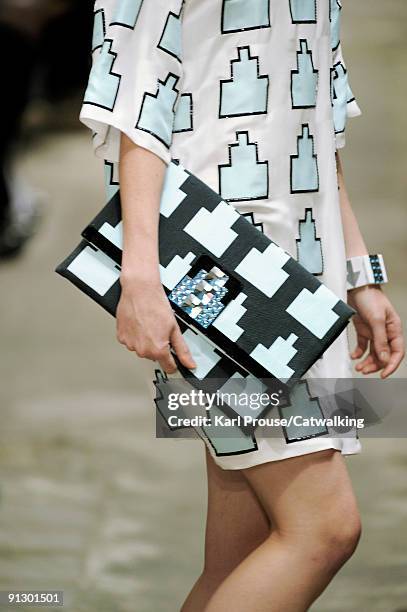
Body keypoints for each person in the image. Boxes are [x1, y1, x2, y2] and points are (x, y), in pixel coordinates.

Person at [79, 1, 405, 610]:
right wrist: (140, 278)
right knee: (324, 530)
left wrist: (357, 269)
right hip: (220, 274)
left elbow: (317, 117)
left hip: (305, 276)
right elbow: (137, 110)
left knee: (242, 554)